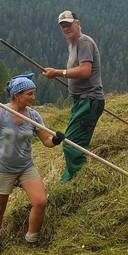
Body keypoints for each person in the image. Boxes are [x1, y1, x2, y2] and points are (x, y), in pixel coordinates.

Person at [0, 74, 65, 255]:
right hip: (3, 169)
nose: (33, 97)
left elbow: (46, 141)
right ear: (17, 95)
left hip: (25, 167)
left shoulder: (34, 116)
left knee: (40, 202)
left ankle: (32, 238)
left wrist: (56, 140)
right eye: (30, 94)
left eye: (34, 93)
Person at [42, 10, 105, 182]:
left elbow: (85, 71)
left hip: (89, 100)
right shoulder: (73, 43)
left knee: (71, 144)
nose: (66, 28)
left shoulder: (83, 42)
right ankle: (71, 177)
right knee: (74, 141)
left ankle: (80, 179)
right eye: (62, 26)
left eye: (69, 24)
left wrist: (59, 72)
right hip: (82, 100)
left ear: (77, 23)